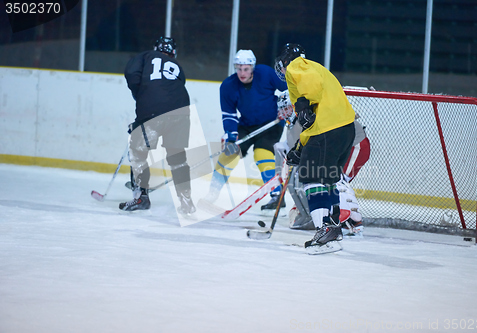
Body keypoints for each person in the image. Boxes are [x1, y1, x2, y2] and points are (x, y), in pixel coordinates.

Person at [275, 43, 356, 249]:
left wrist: (302, 105)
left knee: (311, 176)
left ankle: (323, 229)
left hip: (328, 129)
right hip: (345, 129)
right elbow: (315, 124)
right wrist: (300, 149)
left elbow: (310, 88)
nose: (284, 71)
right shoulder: (318, 68)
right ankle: (334, 228)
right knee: (328, 178)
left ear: (285, 60)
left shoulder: (297, 66)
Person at [199, 49, 288, 212]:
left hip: (272, 124)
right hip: (246, 124)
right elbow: (229, 114)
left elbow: (287, 87)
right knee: (229, 154)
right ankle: (212, 193)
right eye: (239, 68)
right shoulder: (228, 86)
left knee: (262, 154)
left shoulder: (266, 73)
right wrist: (231, 137)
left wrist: (287, 105)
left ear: (252, 67)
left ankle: (277, 195)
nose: (242, 72)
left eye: (246, 68)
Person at [120, 36, 196, 215]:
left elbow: (131, 73)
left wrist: (142, 97)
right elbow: (176, 86)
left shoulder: (147, 56)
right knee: (178, 158)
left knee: (138, 152)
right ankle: (187, 202)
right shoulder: (177, 66)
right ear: (173, 53)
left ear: (155, 48)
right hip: (181, 112)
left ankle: (141, 198)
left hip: (152, 110)